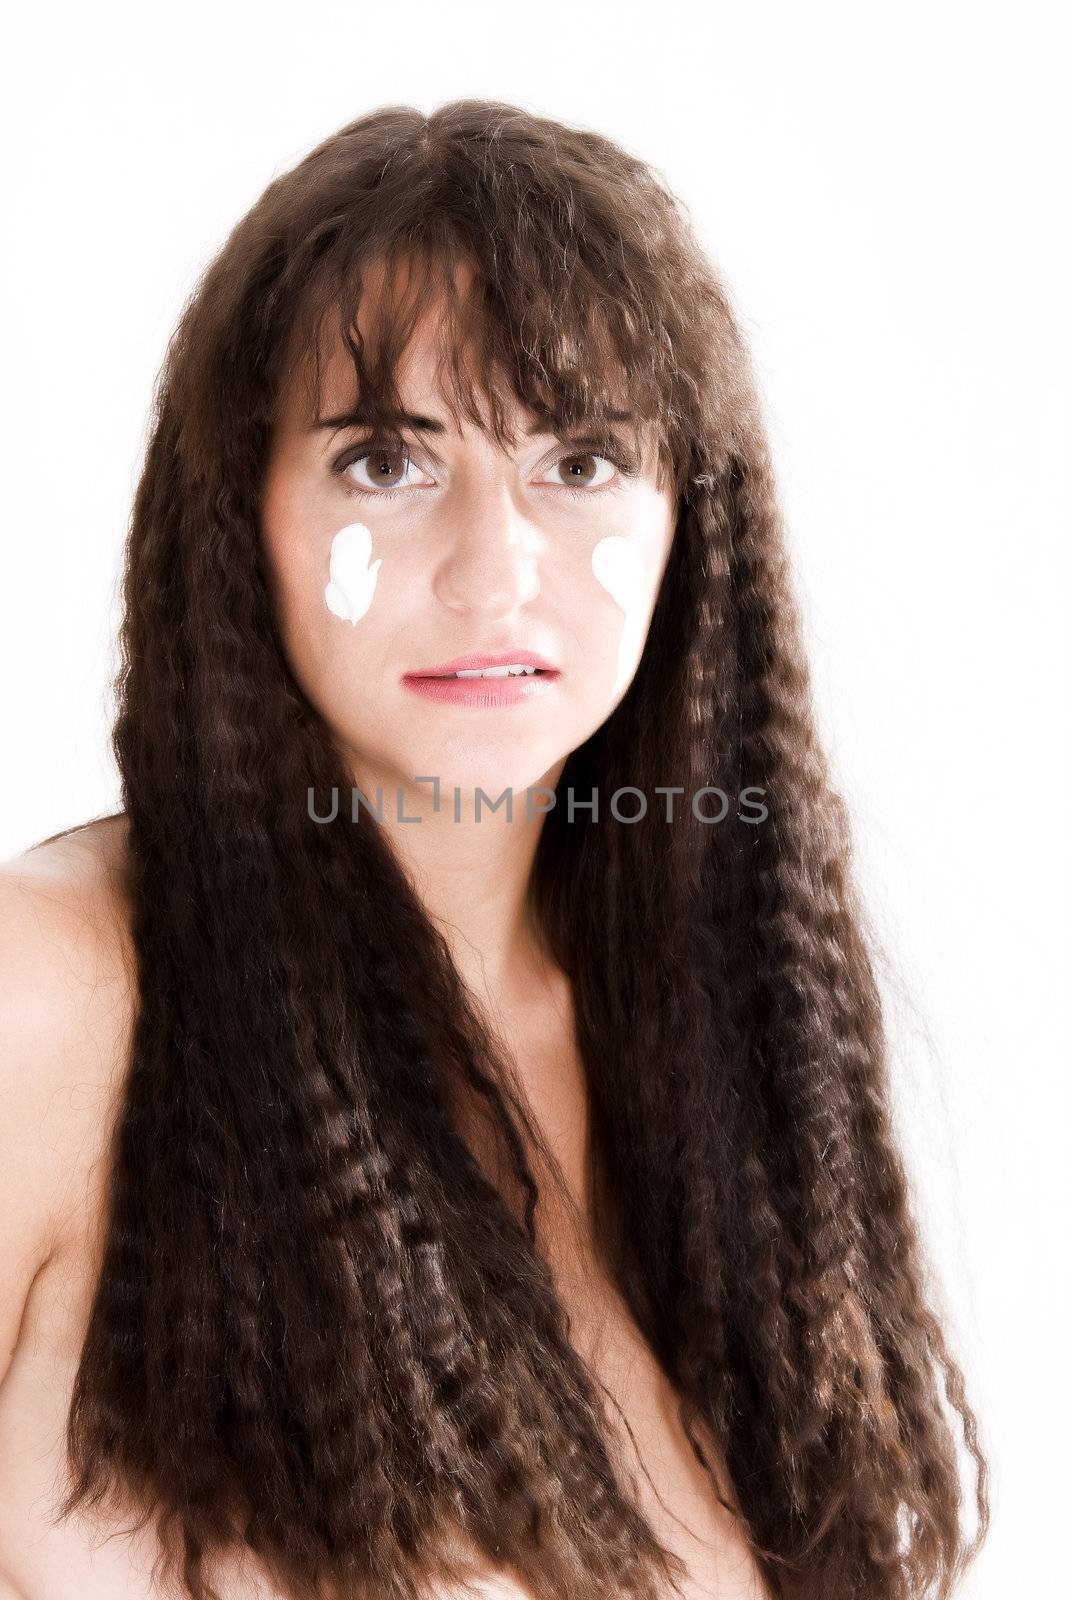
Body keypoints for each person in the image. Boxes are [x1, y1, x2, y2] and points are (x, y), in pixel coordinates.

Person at [0, 100, 988, 1600]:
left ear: (688, 530)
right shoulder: (54, 997)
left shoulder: (722, 1048)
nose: (495, 565)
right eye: (386, 460)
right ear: (238, 517)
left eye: (581, 458)